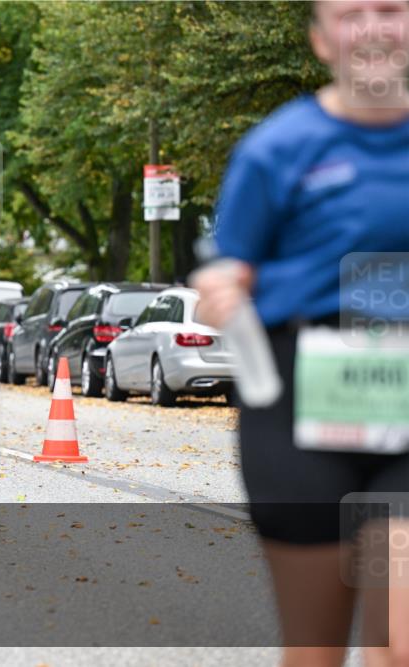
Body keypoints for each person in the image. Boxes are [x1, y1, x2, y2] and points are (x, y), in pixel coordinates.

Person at [192, 2, 408, 663]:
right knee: (315, 650)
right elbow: (223, 274)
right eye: (350, 14)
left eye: (391, 10)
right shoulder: (276, 148)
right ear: (320, 41)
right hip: (299, 402)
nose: (372, 27)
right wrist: (221, 294)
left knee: (397, 645)